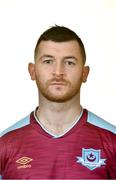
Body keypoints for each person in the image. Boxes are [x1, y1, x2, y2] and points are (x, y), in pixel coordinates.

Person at [0, 25, 116, 179]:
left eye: (69, 62)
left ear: (84, 73)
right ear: (32, 71)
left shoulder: (112, 141)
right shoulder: (5, 143)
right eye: (48, 61)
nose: (58, 72)